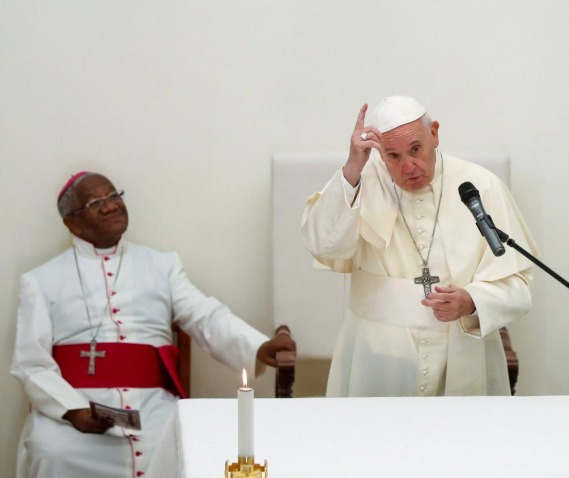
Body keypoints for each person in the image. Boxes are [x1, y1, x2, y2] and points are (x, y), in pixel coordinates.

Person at [11, 172, 296, 478]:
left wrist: (257, 345)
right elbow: (32, 364)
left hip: (154, 406)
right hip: (77, 405)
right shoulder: (40, 281)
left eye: (113, 196)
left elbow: (204, 315)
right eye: (95, 203)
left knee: (186, 444)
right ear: (72, 223)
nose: (110, 206)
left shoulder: (162, 265)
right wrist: (73, 411)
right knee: (52, 450)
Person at [301, 96, 537, 397]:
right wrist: (351, 169)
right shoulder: (360, 183)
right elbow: (323, 246)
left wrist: (472, 301)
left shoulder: (481, 186)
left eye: (415, 149)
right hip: (377, 359)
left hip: (463, 355)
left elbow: (519, 286)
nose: (409, 167)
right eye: (393, 156)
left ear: (434, 134)